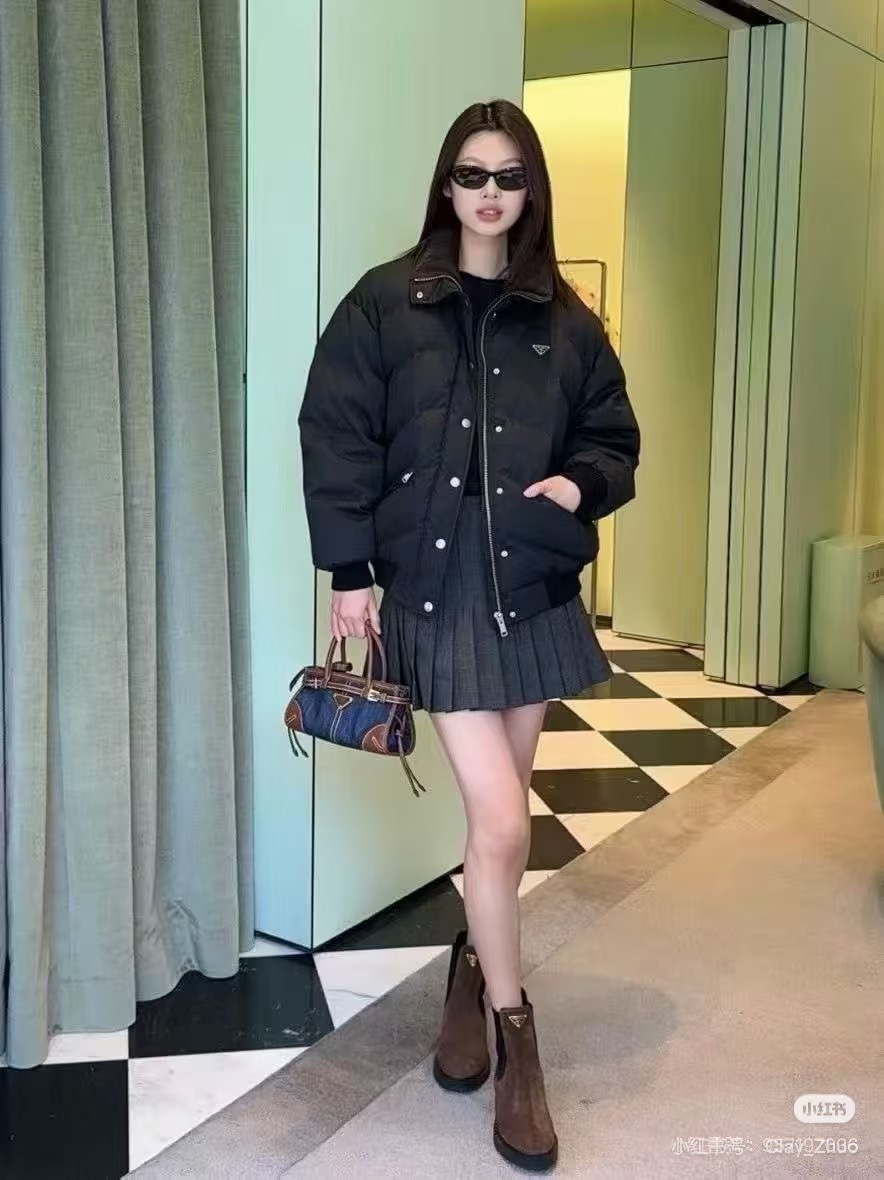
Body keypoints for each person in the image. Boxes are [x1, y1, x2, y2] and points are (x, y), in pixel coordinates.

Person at [299, 98, 640, 1171]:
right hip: (434, 597)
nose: (489, 194)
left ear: (530, 190)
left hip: (529, 591)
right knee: (500, 822)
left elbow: (614, 436)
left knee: (499, 833)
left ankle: (466, 973)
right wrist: (349, 572)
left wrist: (577, 485)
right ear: (445, 185)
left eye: (508, 176)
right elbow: (336, 431)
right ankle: (515, 1036)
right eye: (471, 174)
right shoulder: (385, 300)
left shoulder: (564, 318)